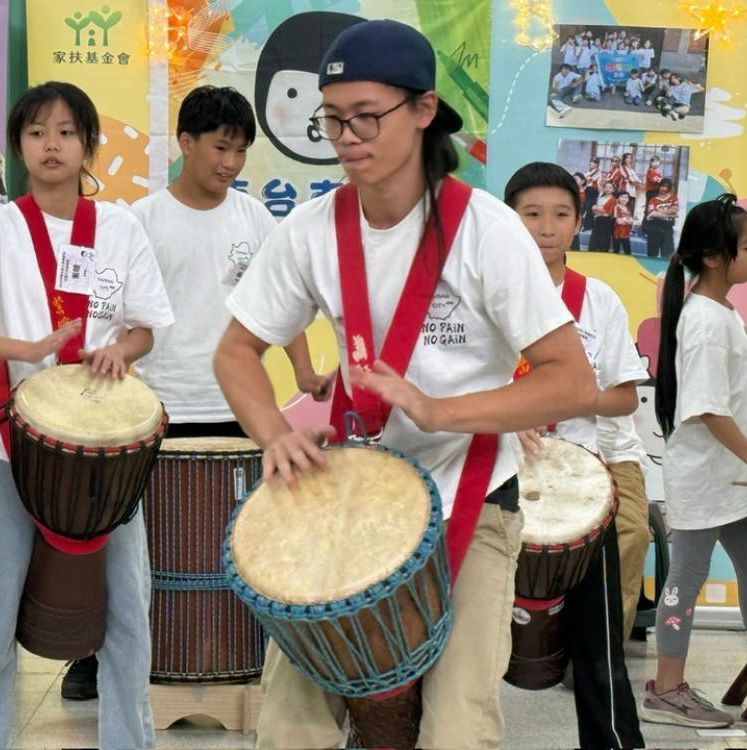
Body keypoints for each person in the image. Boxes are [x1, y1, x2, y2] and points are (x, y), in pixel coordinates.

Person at [214, 19, 597, 749]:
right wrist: (275, 433)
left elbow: (571, 381)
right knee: (290, 729)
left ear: (423, 111)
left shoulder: (486, 230)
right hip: (348, 497)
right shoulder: (309, 230)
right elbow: (236, 351)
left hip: (472, 494)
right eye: (332, 119)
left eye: (367, 116)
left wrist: (436, 408)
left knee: (456, 731)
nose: (347, 136)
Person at [58, 84, 333, 702]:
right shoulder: (140, 221)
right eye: (220, 147)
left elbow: (279, 310)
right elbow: (118, 314)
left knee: (244, 543)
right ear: (185, 143)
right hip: (156, 405)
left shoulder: (255, 218)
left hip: (240, 408)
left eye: (240, 151)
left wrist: (305, 373)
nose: (231, 162)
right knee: (132, 543)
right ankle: (95, 656)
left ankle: (241, 654)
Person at [0, 80, 174, 749]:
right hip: (13, 446)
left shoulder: (119, 228)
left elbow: (144, 326)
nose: (52, 144)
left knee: (127, 621)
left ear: (88, 144)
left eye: (66, 131)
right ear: (17, 147)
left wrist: (121, 348)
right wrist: (26, 348)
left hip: (106, 453)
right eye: (36, 132)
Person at [640, 194, 747, 728]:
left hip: (724, 480)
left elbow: (711, 398)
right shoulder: (706, 322)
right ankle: (667, 690)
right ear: (713, 256)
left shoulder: (718, 312)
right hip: (708, 480)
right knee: (685, 578)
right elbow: (705, 409)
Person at [505, 161, 645, 749]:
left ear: (580, 222)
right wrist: (508, 417)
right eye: (531, 214)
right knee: (468, 640)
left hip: (582, 482)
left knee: (599, 638)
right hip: (498, 474)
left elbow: (624, 397)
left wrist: (568, 395)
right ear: (508, 220)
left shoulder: (598, 300)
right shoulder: (483, 292)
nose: (546, 227)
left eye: (561, 214)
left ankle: (614, 740)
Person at [644, 177, 678, 258]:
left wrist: (658, 212)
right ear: (659, 186)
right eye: (662, 186)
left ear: (669, 188)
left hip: (667, 229)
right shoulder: (653, 199)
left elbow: (674, 210)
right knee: (652, 255)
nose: (664, 189)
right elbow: (652, 214)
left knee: (667, 255)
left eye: (667, 187)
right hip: (654, 228)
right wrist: (669, 215)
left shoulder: (673, 198)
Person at [588, 178, 616, 252]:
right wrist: (598, 210)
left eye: (610, 187)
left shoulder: (613, 199)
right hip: (597, 219)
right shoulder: (601, 198)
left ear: (613, 190)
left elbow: (607, 212)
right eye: (606, 187)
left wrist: (598, 209)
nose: (607, 189)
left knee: (604, 238)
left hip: (606, 221)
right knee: (594, 236)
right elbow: (593, 210)